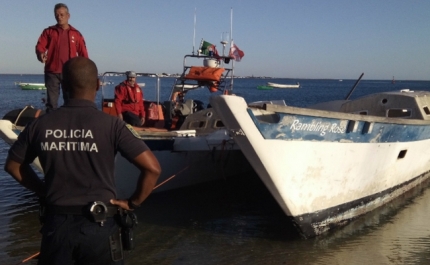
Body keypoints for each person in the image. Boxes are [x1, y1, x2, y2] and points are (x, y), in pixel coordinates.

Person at [4, 57, 161, 265]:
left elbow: (13, 165)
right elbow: (152, 168)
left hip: (56, 227)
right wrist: (132, 202)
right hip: (101, 227)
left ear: (63, 85)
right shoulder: (112, 126)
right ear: (97, 84)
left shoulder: (40, 125)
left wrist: (43, 190)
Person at [35, 3, 89, 112]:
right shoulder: (49, 31)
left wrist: (86, 73)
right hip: (52, 72)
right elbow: (40, 46)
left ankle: (70, 126)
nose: (59, 17)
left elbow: (84, 55)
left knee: (70, 102)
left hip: (69, 73)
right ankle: (51, 126)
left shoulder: (76, 34)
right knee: (51, 103)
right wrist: (41, 54)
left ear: (68, 16)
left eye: (62, 15)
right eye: (57, 15)